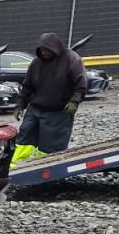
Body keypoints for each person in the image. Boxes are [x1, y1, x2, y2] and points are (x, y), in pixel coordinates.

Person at [10, 32, 86, 165]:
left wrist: (74, 101)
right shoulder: (36, 63)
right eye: (42, 50)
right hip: (35, 109)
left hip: (58, 112)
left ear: (55, 48)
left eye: (47, 50)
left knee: (51, 144)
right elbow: (27, 86)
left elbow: (81, 84)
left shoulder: (71, 59)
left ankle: (46, 168)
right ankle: (14, 167)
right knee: (24, 139)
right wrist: (20, 105)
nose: (44, 53)